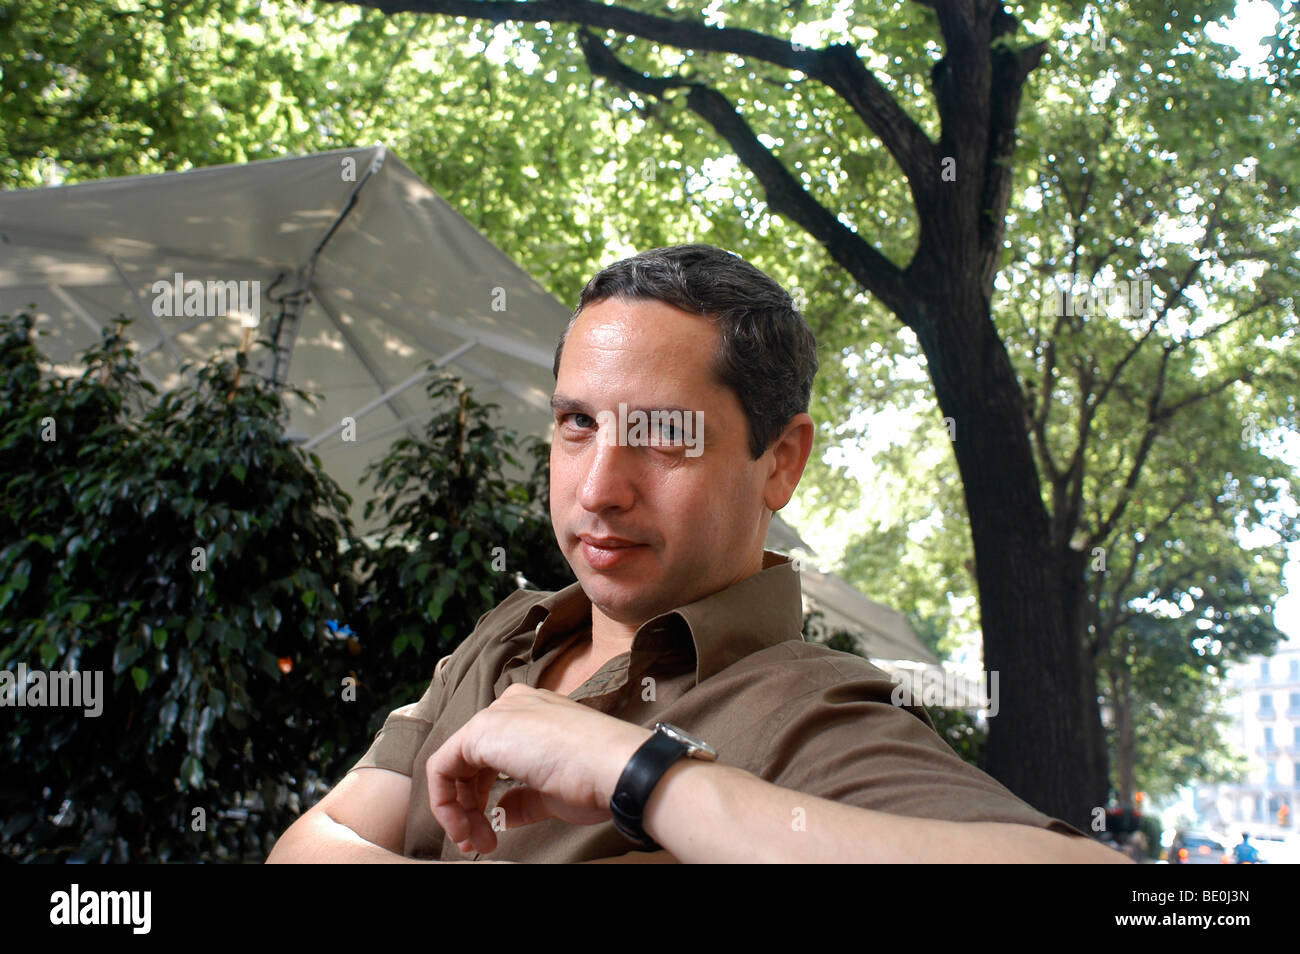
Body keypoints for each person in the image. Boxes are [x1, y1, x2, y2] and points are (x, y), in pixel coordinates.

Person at [267, 243, 1130, 864]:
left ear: (781, 461)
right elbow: (308, 845)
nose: (599, 486)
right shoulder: (511, 633)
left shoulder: (813, 712)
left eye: (664, 435)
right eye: (578, 423)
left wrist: (644, 777)